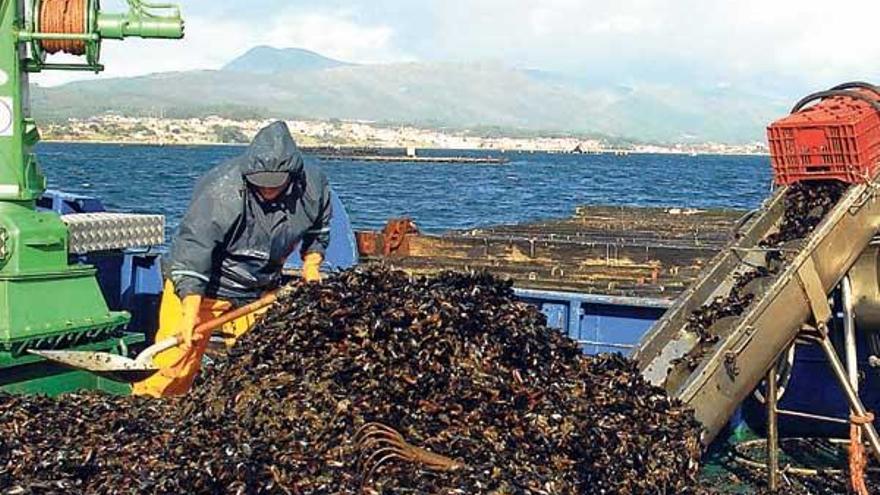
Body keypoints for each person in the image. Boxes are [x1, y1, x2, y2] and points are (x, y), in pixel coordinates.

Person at [132, 121, 332, 397]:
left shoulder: (314, 187)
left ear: (293, 174)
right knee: (175, 364)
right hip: (205, 286)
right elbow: (193, 250)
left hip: (260, 289)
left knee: (262, 368)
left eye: (275, 185)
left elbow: (319, 230)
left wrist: (312, 267)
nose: (267, 191)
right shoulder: (221, 190)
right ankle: (147, 412)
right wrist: (190, 313)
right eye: (260, 184)